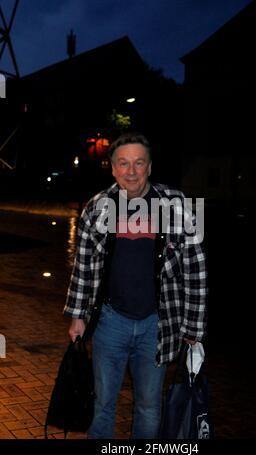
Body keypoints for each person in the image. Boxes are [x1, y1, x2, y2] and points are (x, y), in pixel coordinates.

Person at [63, 132, 207, 439]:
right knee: (102, 404)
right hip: (110, 322)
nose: (131, 171)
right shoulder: (97, 208)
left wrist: (193, 329)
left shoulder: (177, 205)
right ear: (113, 168)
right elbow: (84, 267)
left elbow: (195, 269)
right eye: (123, 163)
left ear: (150, 167)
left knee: (149, 406)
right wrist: (78, 315)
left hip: (157, 324)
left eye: (138, 163)